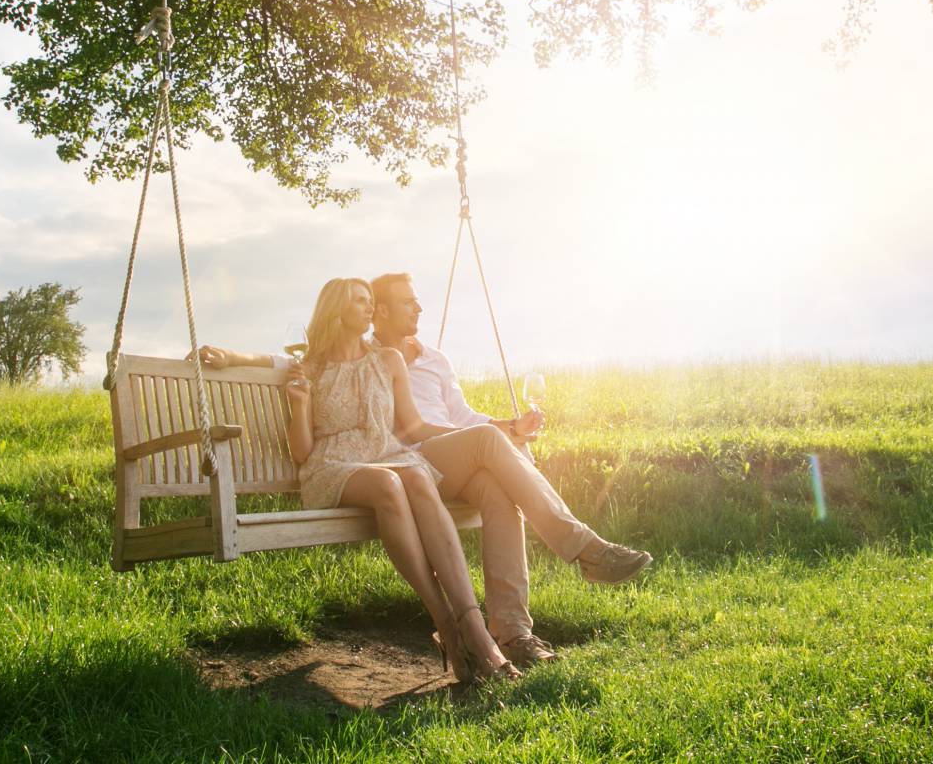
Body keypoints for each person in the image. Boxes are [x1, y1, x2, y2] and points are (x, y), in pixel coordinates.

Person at [200, 273, 653, 670]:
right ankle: (584, 549)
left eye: (412, 301)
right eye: (403, 302)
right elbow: (289, 364)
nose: (416, 307)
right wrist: (231, 355)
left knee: (496, 492)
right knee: (484, 446)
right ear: (373, 313)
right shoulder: (357, 353)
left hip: (438, 457)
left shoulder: (430, 359)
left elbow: (461, 415)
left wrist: (508, 426)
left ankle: (513, 634)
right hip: (401, 458)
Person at [284, 277, 517, 684]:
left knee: (417, 476)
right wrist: (298, 404)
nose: (370, 308)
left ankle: (474, 629)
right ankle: (446, 623)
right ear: (337, 309)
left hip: (382, 455)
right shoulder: (311, 367)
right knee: (391, 484)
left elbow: (412, 426)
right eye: (360, 301)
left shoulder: (388, 359)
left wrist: (485, 433)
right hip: (332, 466)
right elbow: (302, 453)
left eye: (371, 301)